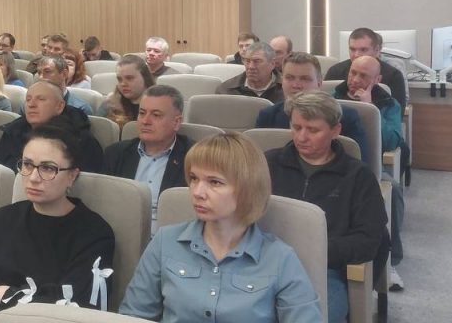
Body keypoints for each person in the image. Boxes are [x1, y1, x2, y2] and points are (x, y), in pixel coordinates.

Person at [120, 132, 321, 323]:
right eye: (194, 178)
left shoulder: (279, 259)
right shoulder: (165, 241)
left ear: (247, 189)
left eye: (215, 182)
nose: (197, 192)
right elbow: (133, 316)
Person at [0, 125, 115, 311]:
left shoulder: (94, 234)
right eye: (27, 164)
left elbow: (77, 302)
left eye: (48, 168)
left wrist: (7, 294)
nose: (33, 177)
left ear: (72, 176)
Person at [265, 91, 387, 323]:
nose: (301, 137)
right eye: (296, 127)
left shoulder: (357, 176)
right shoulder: (268, 163)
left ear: (335, 130)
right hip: (266, 264)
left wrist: (317, 251)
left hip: (324, 270)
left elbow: (369, 239)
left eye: (313, 130)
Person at [333, 54, 408, 288]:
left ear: (377, 80)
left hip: (369, 167)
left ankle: (391, 262)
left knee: (393, 190)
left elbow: (392, 141)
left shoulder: (388, 103)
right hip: (332, 164)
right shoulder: (331, 98)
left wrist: (370, 108)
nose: (355, 79)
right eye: (352, 73)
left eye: (363, 76)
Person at [102, 85, 193, 230]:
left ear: (176, 122)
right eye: (142, 113)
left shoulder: (194, 158)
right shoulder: (115, 154)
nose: (145, 121)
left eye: (156, 115)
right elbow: (104, 206)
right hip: (121, 233)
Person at [255, 52, 368, 158]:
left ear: (319, 83)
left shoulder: (345, 117)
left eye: (305, 79)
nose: (296, 85)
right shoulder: (268, 116)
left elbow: (359, 164)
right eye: (289, 78)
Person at [0, 81, 102, 172]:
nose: (31, 104)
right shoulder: (12, 132)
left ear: (59, 106)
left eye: (41, 99)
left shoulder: (81, 140)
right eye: (28, 99)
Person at [325, 28, 408, 116]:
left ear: (377, 50)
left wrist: (369, 108)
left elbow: (397, 116)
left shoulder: (393, 75)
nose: (356, 55)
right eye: (352, 49)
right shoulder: (335, 71)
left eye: (363, 50)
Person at [217, 41, 285, 104]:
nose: (251, 67)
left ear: (272, 64)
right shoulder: (226, 90)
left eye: (257, 61)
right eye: (247, 61)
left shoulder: (285, 89)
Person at [100, 55, 155, 126]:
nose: (123, 84)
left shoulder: (160, 105)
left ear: (145, 78)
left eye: (129, 78)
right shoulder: (109, 104)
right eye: (119, 79)